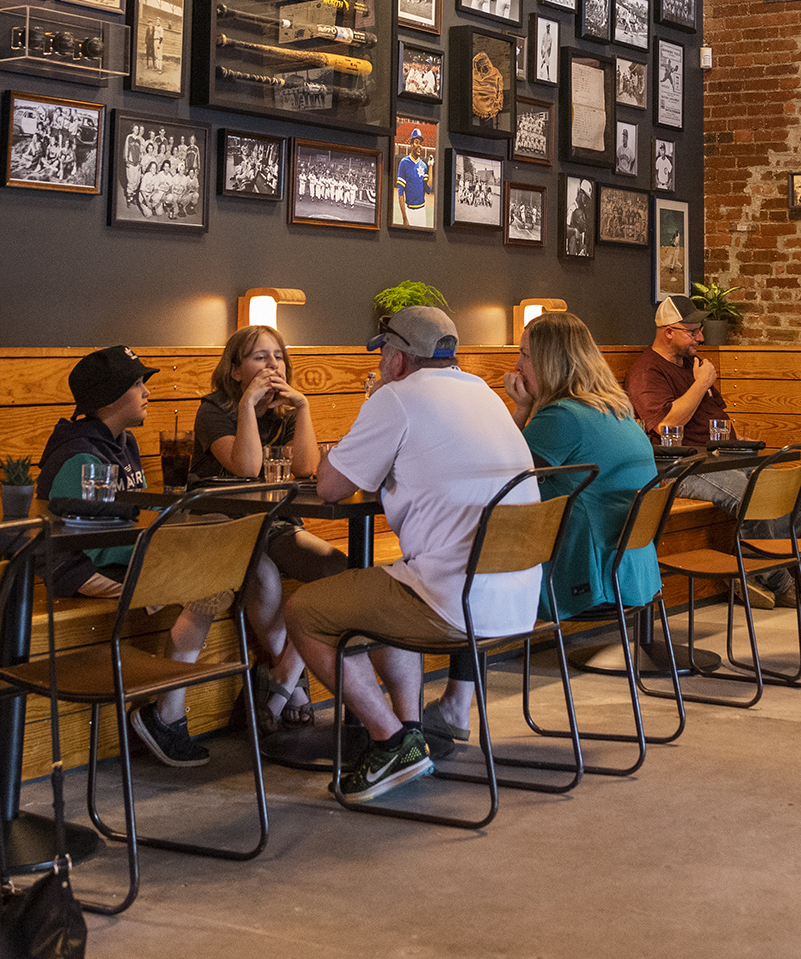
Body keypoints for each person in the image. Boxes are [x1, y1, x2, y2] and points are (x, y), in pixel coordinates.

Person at [286, 307, 540, 799]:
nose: (381, 360)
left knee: (305, 611)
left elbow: (332, 486)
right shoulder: (484, 395)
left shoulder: (397, 399)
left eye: (382, 351)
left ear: (399, 358)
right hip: (515, 599)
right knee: (389, 581)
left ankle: (390, 740)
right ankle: (410, 735)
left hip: (452, 601)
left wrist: (375, 406)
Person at [36, 346, 227, 765]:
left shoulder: (125, 444)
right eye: (137, 383)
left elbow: (137, 511)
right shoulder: (80, 455)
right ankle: (165, 714)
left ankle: (164, 712)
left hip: (123, 556)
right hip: (82, 570)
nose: (146, 392)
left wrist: (177, 527)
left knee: (218, 579)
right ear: (108, 399)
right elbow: (89, 539)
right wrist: (171, 543)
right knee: (210, 588)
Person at [192, 326, 350, 731]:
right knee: (262, 576)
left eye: (277, 356)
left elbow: (304, 469)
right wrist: (247, 405)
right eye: (259, 358)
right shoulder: (213, 410)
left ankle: (283, 675)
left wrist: (304, 409)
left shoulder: (282, 413)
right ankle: (293, 685)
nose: (272, 365)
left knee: (338, 570)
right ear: (235, 370)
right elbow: (245, 468)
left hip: (273, 522)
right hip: (221, 524)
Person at [625, 296, 801, 608]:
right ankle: (779, 580)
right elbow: (666, 424)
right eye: (692, 332)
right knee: (754, 495)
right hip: (684, 467)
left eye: (700, 330)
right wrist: (701, 383)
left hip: (725, 456)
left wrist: (738, 440)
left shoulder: (692, 365)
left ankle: (750, 569)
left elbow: (715, 418)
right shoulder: (648, 372)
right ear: (668, 332)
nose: (700, 338)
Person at [499, 310, 660, 622]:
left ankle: (463, 663)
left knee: (462, 553)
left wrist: (521, 409)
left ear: (551, 362)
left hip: (586, 577)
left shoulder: (564, 416)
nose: (517, 366)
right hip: (631, 573)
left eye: (525, 355)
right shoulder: (616, 408)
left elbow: (502, 478)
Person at [395, 127, 431, 228]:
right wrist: (404, 217)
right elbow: (401, 192)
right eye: (416, 142)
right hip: (409, 211)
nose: (419, 146)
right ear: (411, 144)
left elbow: (428, 189)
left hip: (422, 211)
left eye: (420, 143)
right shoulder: (404, 163)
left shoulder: (423, 165)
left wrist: (431, 166)